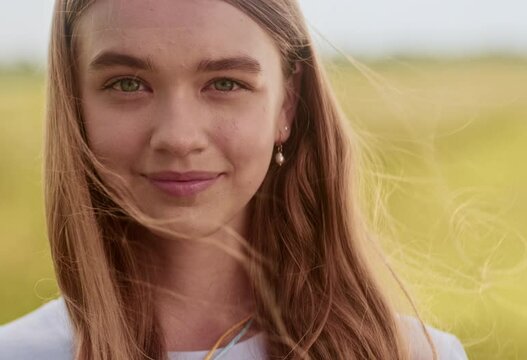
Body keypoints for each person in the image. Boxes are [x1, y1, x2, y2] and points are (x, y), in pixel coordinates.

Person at [0, 0, 468, 359]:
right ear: (75, 105)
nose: (179, 138)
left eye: (225, 83)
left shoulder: (414, 353)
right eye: (127, 83)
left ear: (287, 104)